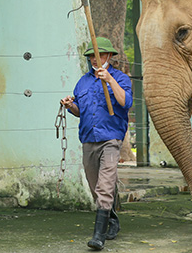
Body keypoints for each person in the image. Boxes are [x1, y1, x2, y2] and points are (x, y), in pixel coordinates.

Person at [61, 36, 133, 251]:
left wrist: (109, 79)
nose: (95, 59)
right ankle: (111, 219)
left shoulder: (120, 78)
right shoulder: (82, 82)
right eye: (92, 55)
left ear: (109, 56)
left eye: (99, 54)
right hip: (88, 139)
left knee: (104, 186)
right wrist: (70, 105)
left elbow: (125, 102)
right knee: (96, 187)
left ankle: (98, 236)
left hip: (111, 138)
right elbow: (80, 112)